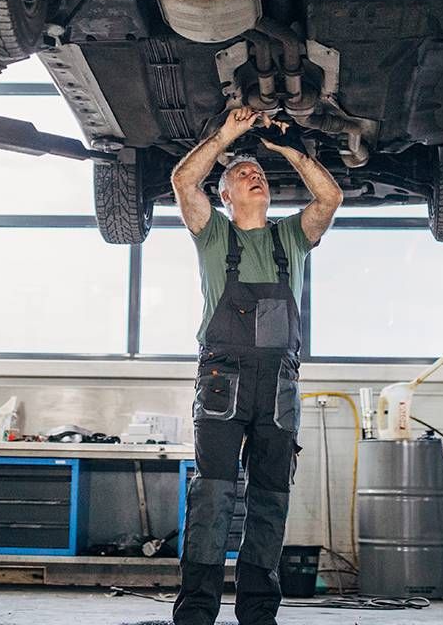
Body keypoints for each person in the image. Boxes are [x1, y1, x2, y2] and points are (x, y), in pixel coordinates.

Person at [169, 107, 343, 625]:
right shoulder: (214, 236)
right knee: (213, 498)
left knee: (269, 501)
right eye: (242, 175)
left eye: (260, 174)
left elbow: (329, 197)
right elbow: (183, 179)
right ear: (226, 196)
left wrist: (287, 149)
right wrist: (228, 135)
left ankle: (258, 613)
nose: (255, 176)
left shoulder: (291, 239)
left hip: (279, 385)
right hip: (223, 379)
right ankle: (197, 613)